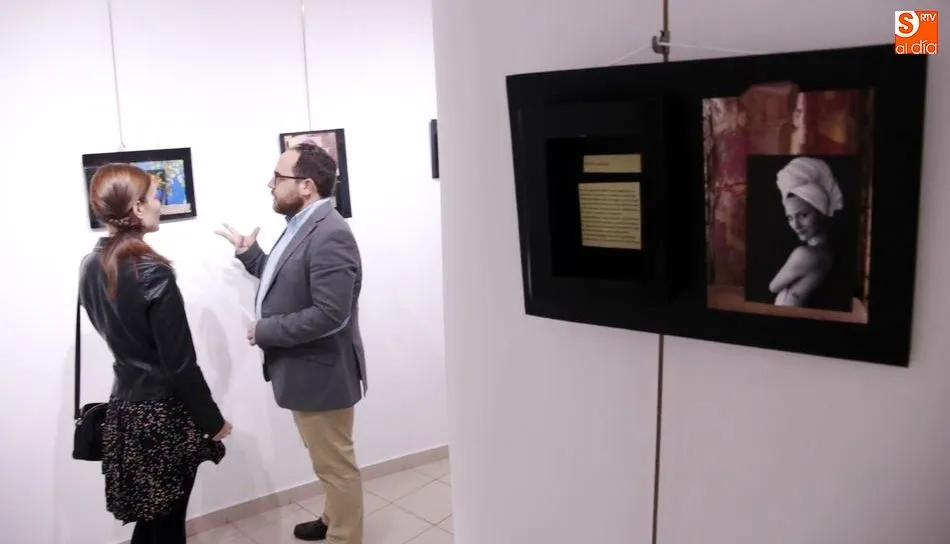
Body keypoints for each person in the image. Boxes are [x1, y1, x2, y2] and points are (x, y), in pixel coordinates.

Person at [216, 140, 367, 543]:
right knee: (325, 461)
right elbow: (287, 279)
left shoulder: (331, 234)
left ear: (306, 186)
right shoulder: (302, 225)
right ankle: (332, 519)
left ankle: (345, 537)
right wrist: (252, 256)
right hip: (308, 371)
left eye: (278, 177)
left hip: (323, 374)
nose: (271, 184)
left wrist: (266, 330)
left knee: (335, 465)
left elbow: (331, 314)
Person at [79, 163, 232, 544]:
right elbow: (180, 365)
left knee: (152, 521)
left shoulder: (88, 266)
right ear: (136, 208)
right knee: (167, 525)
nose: (159, 204)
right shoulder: (152, 272)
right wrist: (213, 421)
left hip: (124, 412)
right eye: (154, 196)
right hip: (162, 416)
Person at [768, 156, 844, 308]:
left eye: (803, 215)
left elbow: (773, 287)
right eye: (790, 218)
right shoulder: (827, 253)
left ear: (820, 211)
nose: (795, 225)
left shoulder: (805, 254)